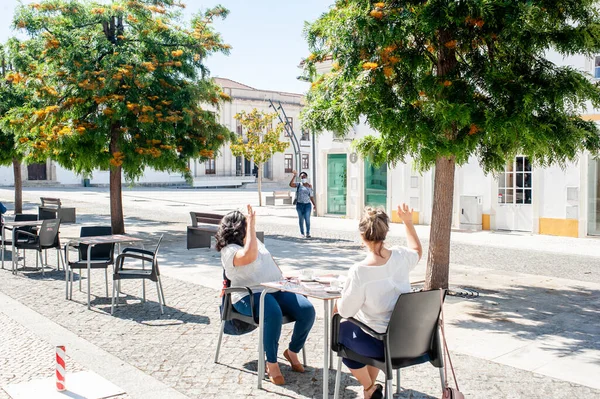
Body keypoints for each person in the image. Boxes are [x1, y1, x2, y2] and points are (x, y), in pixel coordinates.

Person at [215, 205, 316, 385]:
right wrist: (252, 226)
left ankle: (292, 351)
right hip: (248, 296)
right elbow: (250, 256)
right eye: (246, 225)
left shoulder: (252, 241)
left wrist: (283, 277)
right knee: (272, 312)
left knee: (307, 310)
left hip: (274, 288)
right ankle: (271, 362)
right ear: (239, 228)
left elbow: (268, 259)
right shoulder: (229, 250)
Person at [334, 204, 423, 399]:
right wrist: (408, 222)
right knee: (364, 329)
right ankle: (370, 391)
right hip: (411, 341)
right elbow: (417, 250)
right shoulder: (401, 256)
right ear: (385, 232)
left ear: (362, 236)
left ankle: (369, 388)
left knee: (342, 330)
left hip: (383, 345)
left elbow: (346, 311)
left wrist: (340, 298)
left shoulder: (360, 271)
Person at [289, 170, 316, 238]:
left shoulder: (309, 186)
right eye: (301, 177)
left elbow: (311, 196)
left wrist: (314, 204)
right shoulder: (298, 184)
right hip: (299, 204)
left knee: (307, 219)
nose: (303, 178)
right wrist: (294, 176)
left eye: (304, 177)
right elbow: (291, 184)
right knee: (301, 219)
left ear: (306, 177)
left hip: (307, 205)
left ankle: (308, 233)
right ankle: (302, 233)